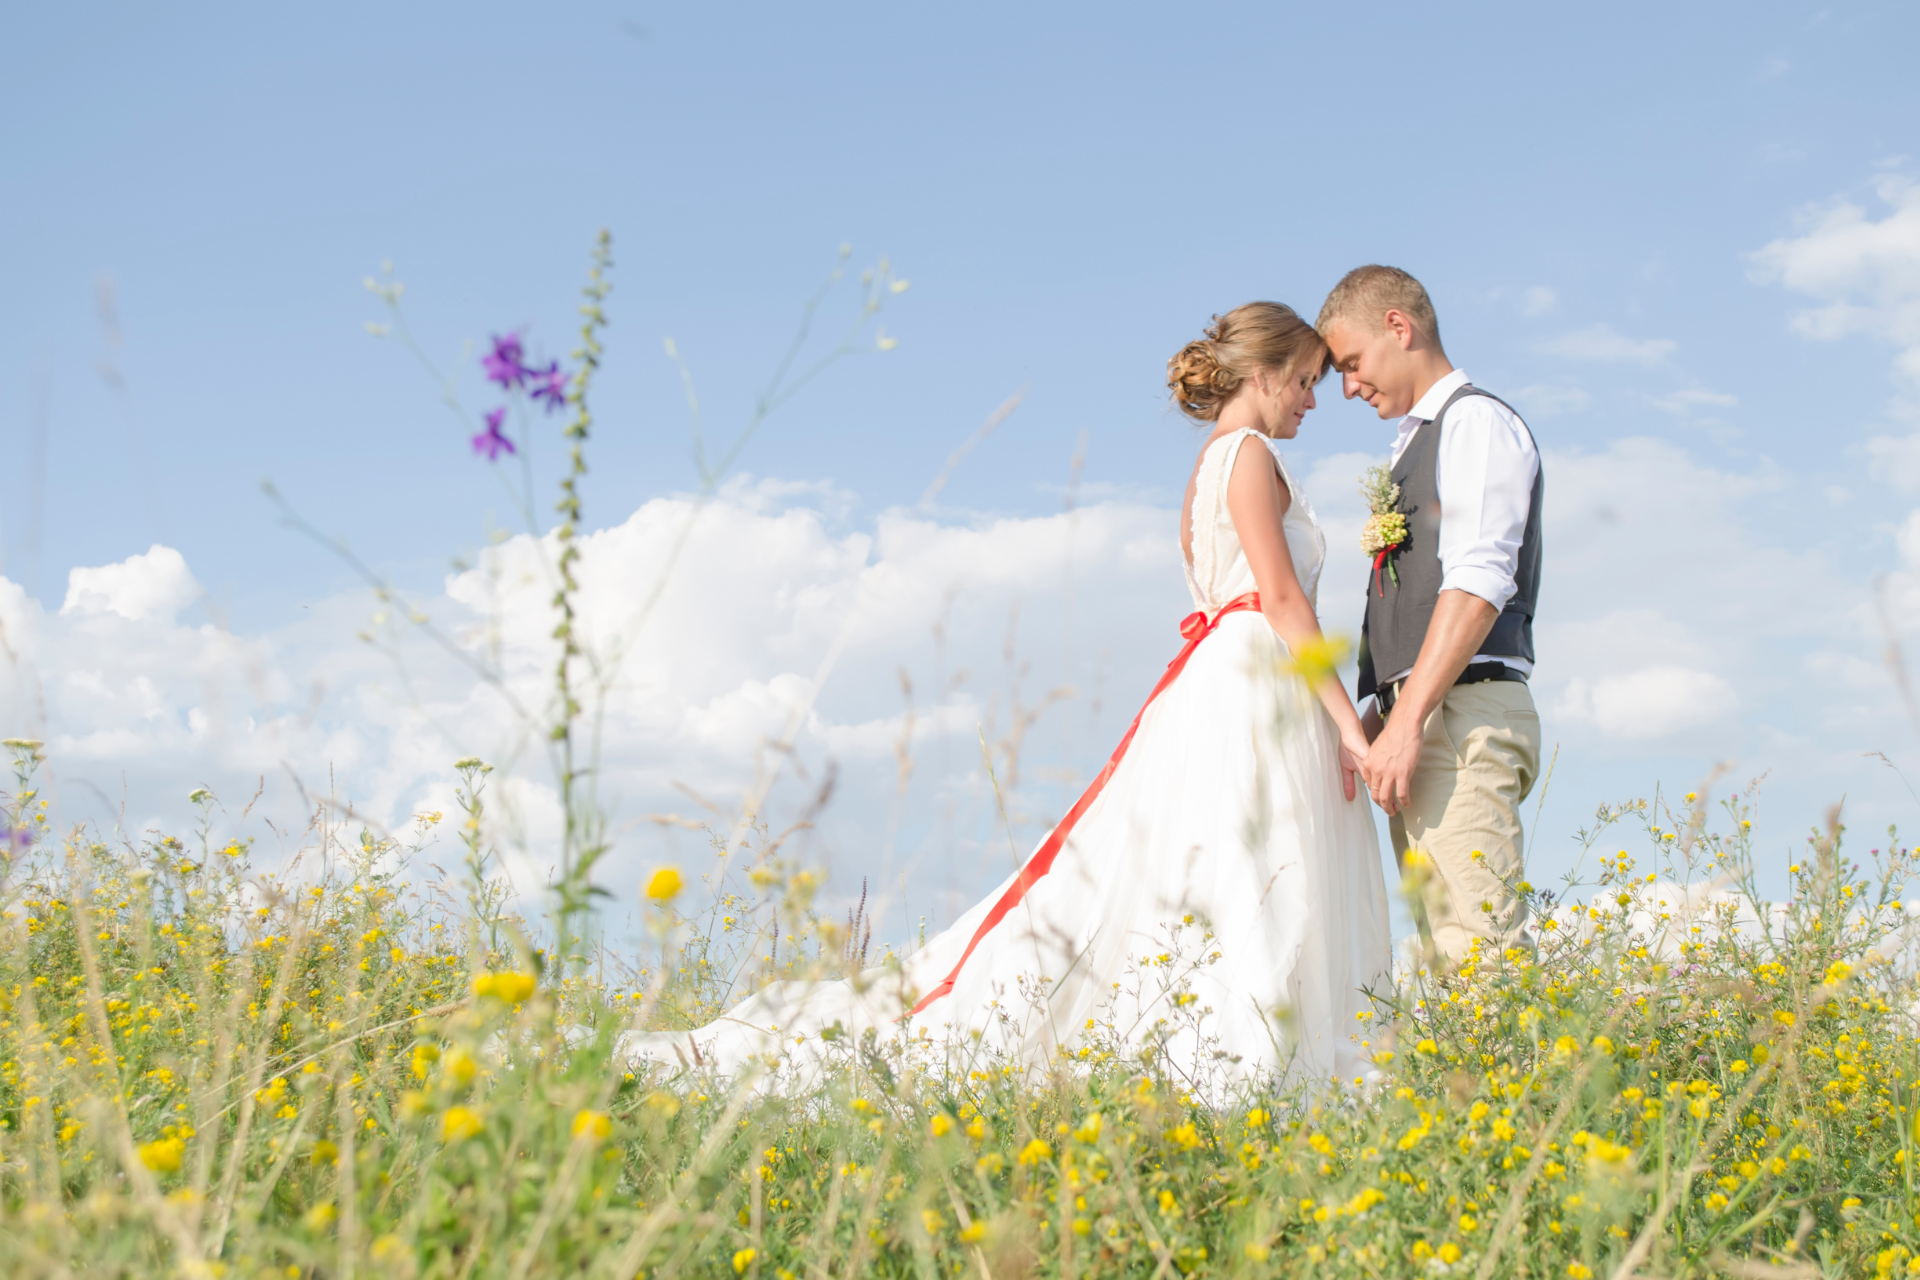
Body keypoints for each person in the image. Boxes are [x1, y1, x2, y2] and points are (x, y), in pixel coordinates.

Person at [623, 302, 1390, 1086]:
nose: (1311, 399)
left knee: (1217, 863)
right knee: (1258, 861)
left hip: (1224, 677)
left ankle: (1237, 1047)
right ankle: (1257, 1057)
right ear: (1262, 374)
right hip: (1257, 678)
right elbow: (1284, 601)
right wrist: (1352, 731)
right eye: (1302, 380)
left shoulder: (1208, 466)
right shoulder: (1252, 454)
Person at [1316, 266, 1543, 968]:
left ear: (1398, 327)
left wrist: (1408, 719)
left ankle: (1532, 1083)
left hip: (1461, 716)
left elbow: (1477, 585)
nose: (1348, 387)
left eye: (1351, 364)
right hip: (1429, 716)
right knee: (1449, 960)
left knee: (1480, 955)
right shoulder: (1418, 444)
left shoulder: (1474, 423)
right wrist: (1384, 718)